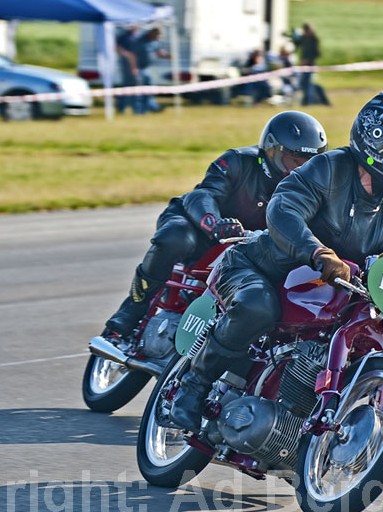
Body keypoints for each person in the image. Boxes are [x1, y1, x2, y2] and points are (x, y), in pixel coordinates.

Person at [169, 92, 383, 433]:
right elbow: (283, 210)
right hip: (262, 267)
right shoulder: (328, 168)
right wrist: (319, 252)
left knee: (369, 329)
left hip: (339, 288)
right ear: (377, 146)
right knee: (258, 307)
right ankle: (192, 386)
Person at [104, 111, 328, 340]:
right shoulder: (236, 161)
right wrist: (215, 225)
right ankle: (132, 308)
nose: (296, 170)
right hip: (201, 227)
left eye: (306, 164)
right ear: (271, 150)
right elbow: (203, 194)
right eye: (292, 160)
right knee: (175, 238)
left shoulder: (309, 190)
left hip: (248, 245)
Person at [116, 26, 171, 115]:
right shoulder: (139, 41)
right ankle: (136, 111)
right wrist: (134, 68)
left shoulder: (154, 42)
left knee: (148, 88)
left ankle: (150, 108)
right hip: (135, 68)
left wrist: (168, 55)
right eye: (158, 36)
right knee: (135, 90)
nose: (159, 38)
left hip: (146, 68)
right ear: (152, 33)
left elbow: (159, 52)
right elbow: (133, 56)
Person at [291, 22, 330, 106]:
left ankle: (307, 102)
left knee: (307, 84)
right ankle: (312, 100)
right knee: (305, 84)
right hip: (304, 66)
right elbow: (296, 44)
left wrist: (307, 60)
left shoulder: (314, 40)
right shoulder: (304, 39)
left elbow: (316, 53)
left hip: (310, 65)